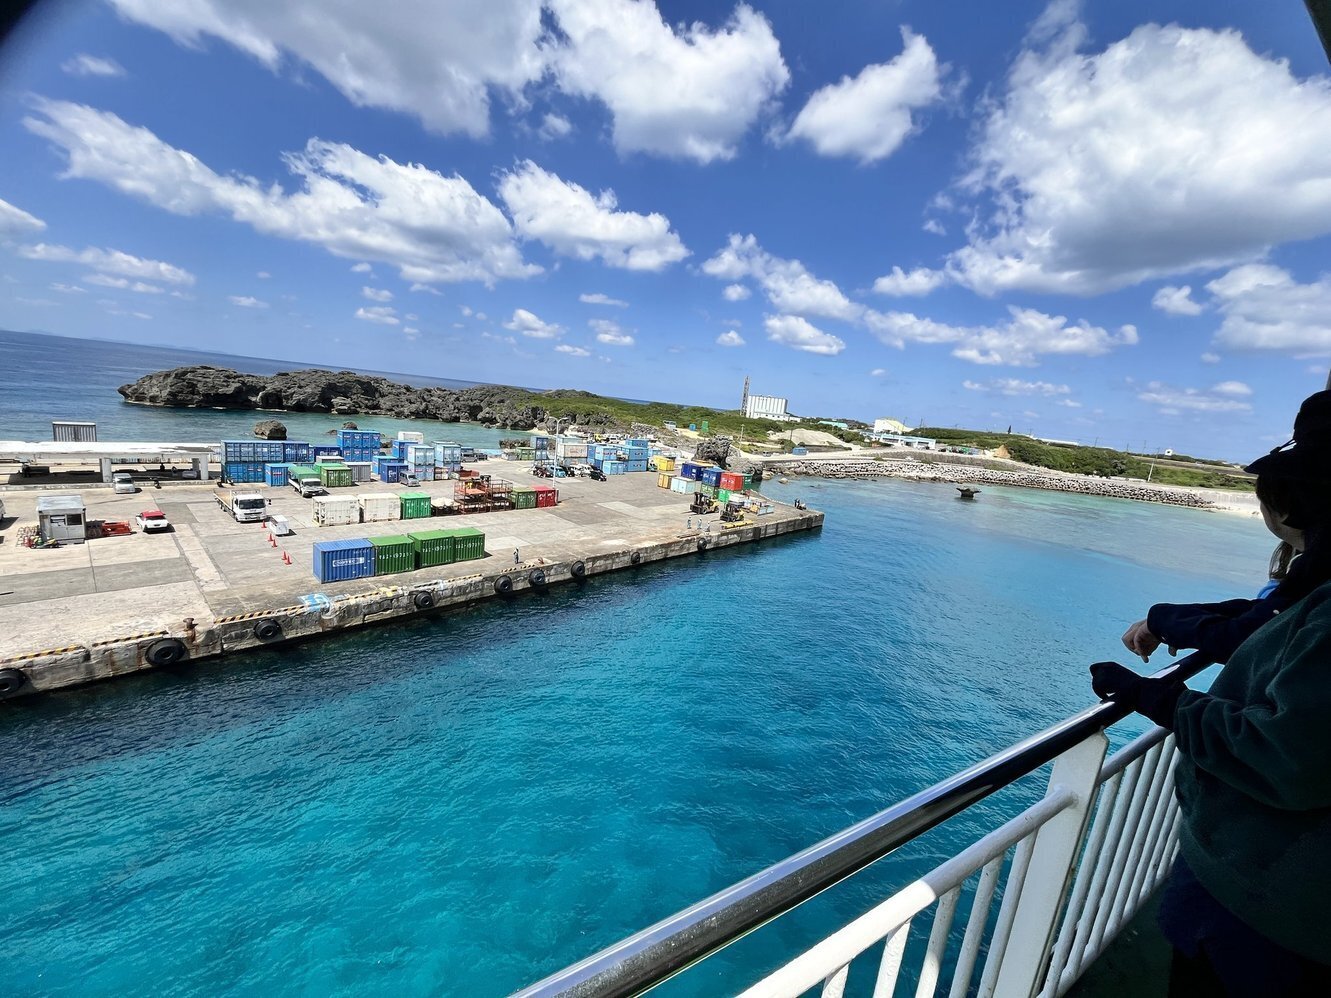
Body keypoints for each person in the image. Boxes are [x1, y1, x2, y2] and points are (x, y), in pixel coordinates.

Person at [1090, 390, 1331, 995]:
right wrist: (1165, 619)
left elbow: (1284, 756)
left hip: (1266, 904)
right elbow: (1260, 617)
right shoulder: (1315, 587)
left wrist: (1156, 699)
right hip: (1270, 890)